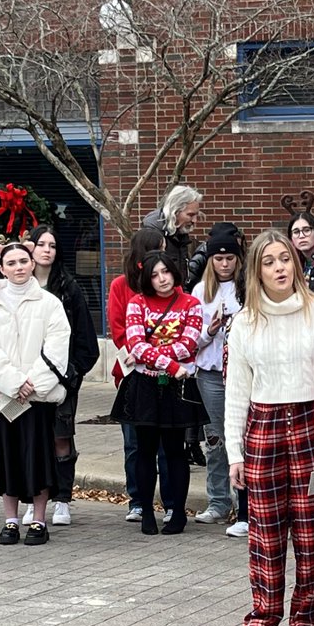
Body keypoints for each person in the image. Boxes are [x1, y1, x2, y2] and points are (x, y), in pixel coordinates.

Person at [225, 230, 314, 626]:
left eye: (285, 259)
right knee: (265, 528)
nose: (279, 268)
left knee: (312, 527)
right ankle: (263, 613)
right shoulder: (244, 322)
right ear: (256, 270)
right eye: (269, 261)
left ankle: (308, 616)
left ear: (296, 264)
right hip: (263, 425)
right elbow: (236, 391)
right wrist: (233, 452)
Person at [0, 242, 70, 547]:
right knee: (8, 460)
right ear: (1, 269)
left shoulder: (50, 303)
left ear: (31, 264)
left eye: (23, 261)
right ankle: (10, 522)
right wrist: (14, 383)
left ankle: (38, 520)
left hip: (37, 399)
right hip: (4, 398)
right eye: (11, 263)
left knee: (38, 460)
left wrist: (32, 384)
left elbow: (57, 346)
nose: (18, 267)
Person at [110, 251, 203, 535]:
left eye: (165, 272)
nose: (162, 279)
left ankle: (177, 511)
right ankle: (147, 510)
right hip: (145, 385)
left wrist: (161, 359)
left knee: (175, 451)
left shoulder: (192, 304)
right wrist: (172, 364)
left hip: (177, 387)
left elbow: (189, 343)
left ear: (174, 272)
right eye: (154, 274)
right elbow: (135, 344)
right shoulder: (137, 303)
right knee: (145, 450)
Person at [26, 224, 99, 526]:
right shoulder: (16, 286)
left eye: (52, 245)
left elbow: (86, 343)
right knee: (32, 441)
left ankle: (63, 499)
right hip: (25, 381)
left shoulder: (70, 288)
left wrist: (72, 375)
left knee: (60, 438)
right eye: (41, 244)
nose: (47, 250)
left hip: (61, 379)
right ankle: (33, 498)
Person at [107, 228, 176, 524]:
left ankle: (172, 500)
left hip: (167, 372)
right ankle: (138, 499)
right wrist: (142, 353)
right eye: (158, 249)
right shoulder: (121, 286)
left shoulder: (170, 288)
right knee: (135, 442)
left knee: (167, 444)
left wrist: (164, 356)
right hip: (133, 370)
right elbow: (119, 329)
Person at [192, 222, 245, 525]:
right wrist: (210, 330)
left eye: (230, 258)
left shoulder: (247, 287)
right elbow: (193, 338)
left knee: (240, 435)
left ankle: (244, 503)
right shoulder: (201, 290)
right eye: (218, 259)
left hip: (239, 371)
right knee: (216, 439)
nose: (224, 264)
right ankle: (218, 501)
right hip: (210, 372)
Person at [141, 185, 206, 288]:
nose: (195, 220)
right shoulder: (152, 234)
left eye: (196, 215)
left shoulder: (180, 231)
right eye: (190, 215)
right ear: (174, 211)